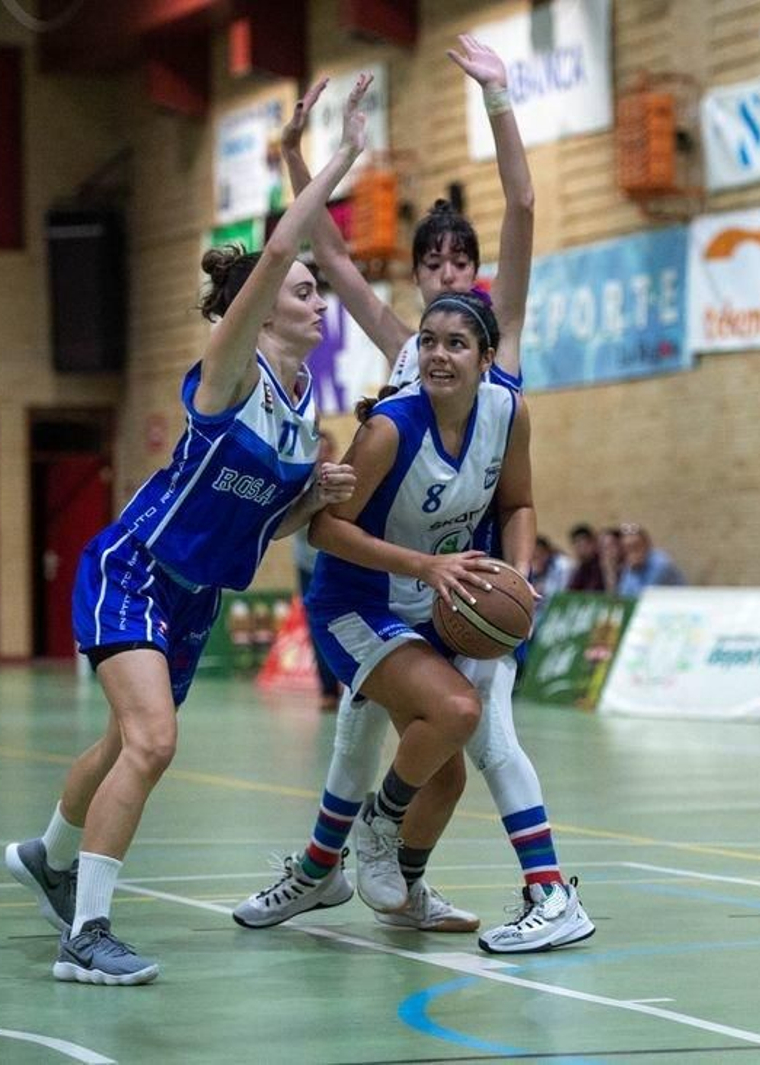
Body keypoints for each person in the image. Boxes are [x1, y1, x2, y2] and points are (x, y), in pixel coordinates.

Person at [1, 78, 370, 986]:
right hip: (134, 567)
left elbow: (273, 524)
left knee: (128, 738)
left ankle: (49, 855)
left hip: (197, 594)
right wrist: (343, 152)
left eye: (320, 288)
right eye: (303, 286)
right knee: (154, 743)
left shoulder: (301, 405)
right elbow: (285, 237)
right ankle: (85, 935)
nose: (317, 297)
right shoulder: (229, 370)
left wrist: (312, 496)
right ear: (258, 302)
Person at [235, 43, 592, 953]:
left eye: (458, 258)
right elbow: (328, 250)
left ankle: (535, 886)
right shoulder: (404, 363)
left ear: (479, 286)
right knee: (366, 735)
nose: (443, 268)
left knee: (475, 733)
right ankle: (337, 870)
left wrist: (501, 95)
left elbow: (521, 205)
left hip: (456, 589)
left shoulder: (500, 366)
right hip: (388, 583)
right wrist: (292, 157)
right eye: (430, 257)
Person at [293, 428, 343, 708]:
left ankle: (352, 685)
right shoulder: (299, 480)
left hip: (336, 561)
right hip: (307, 564)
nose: (322, 454)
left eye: (326, 449)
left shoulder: (343, 479)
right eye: (317, 449)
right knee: (316, 627)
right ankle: (327, 690)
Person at [615, 522, 685, 597]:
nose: (632, 552)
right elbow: (623, 596)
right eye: (627, 548)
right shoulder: (631, 566)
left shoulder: (661, 564)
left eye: (636, 546)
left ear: (647, 545)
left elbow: (643, 597)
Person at [565, 522, 608, 592]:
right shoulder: (582, 567)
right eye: (578, 546)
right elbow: (570, 591)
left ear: (594, 543)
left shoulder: (601, 564)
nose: (581, 550)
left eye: (584, 545)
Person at [530, 535, 573, 601]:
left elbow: (564, 591)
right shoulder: (531, 569)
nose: (538, 561)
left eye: (540, 555)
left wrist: (544, 589)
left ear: (548, 553)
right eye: (534, 557)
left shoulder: (563, 565)